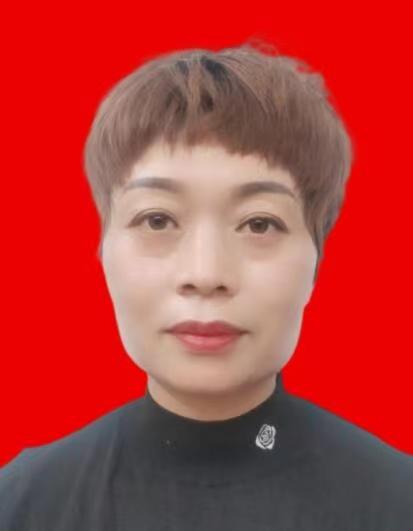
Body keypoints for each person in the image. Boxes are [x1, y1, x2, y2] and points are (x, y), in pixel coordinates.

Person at [1, 40, 412, 530]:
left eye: (259, 224)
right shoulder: (22, 504)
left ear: (316, 262)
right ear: (103, 253)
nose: (206, 273)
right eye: (157, 220)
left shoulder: (397, 501)